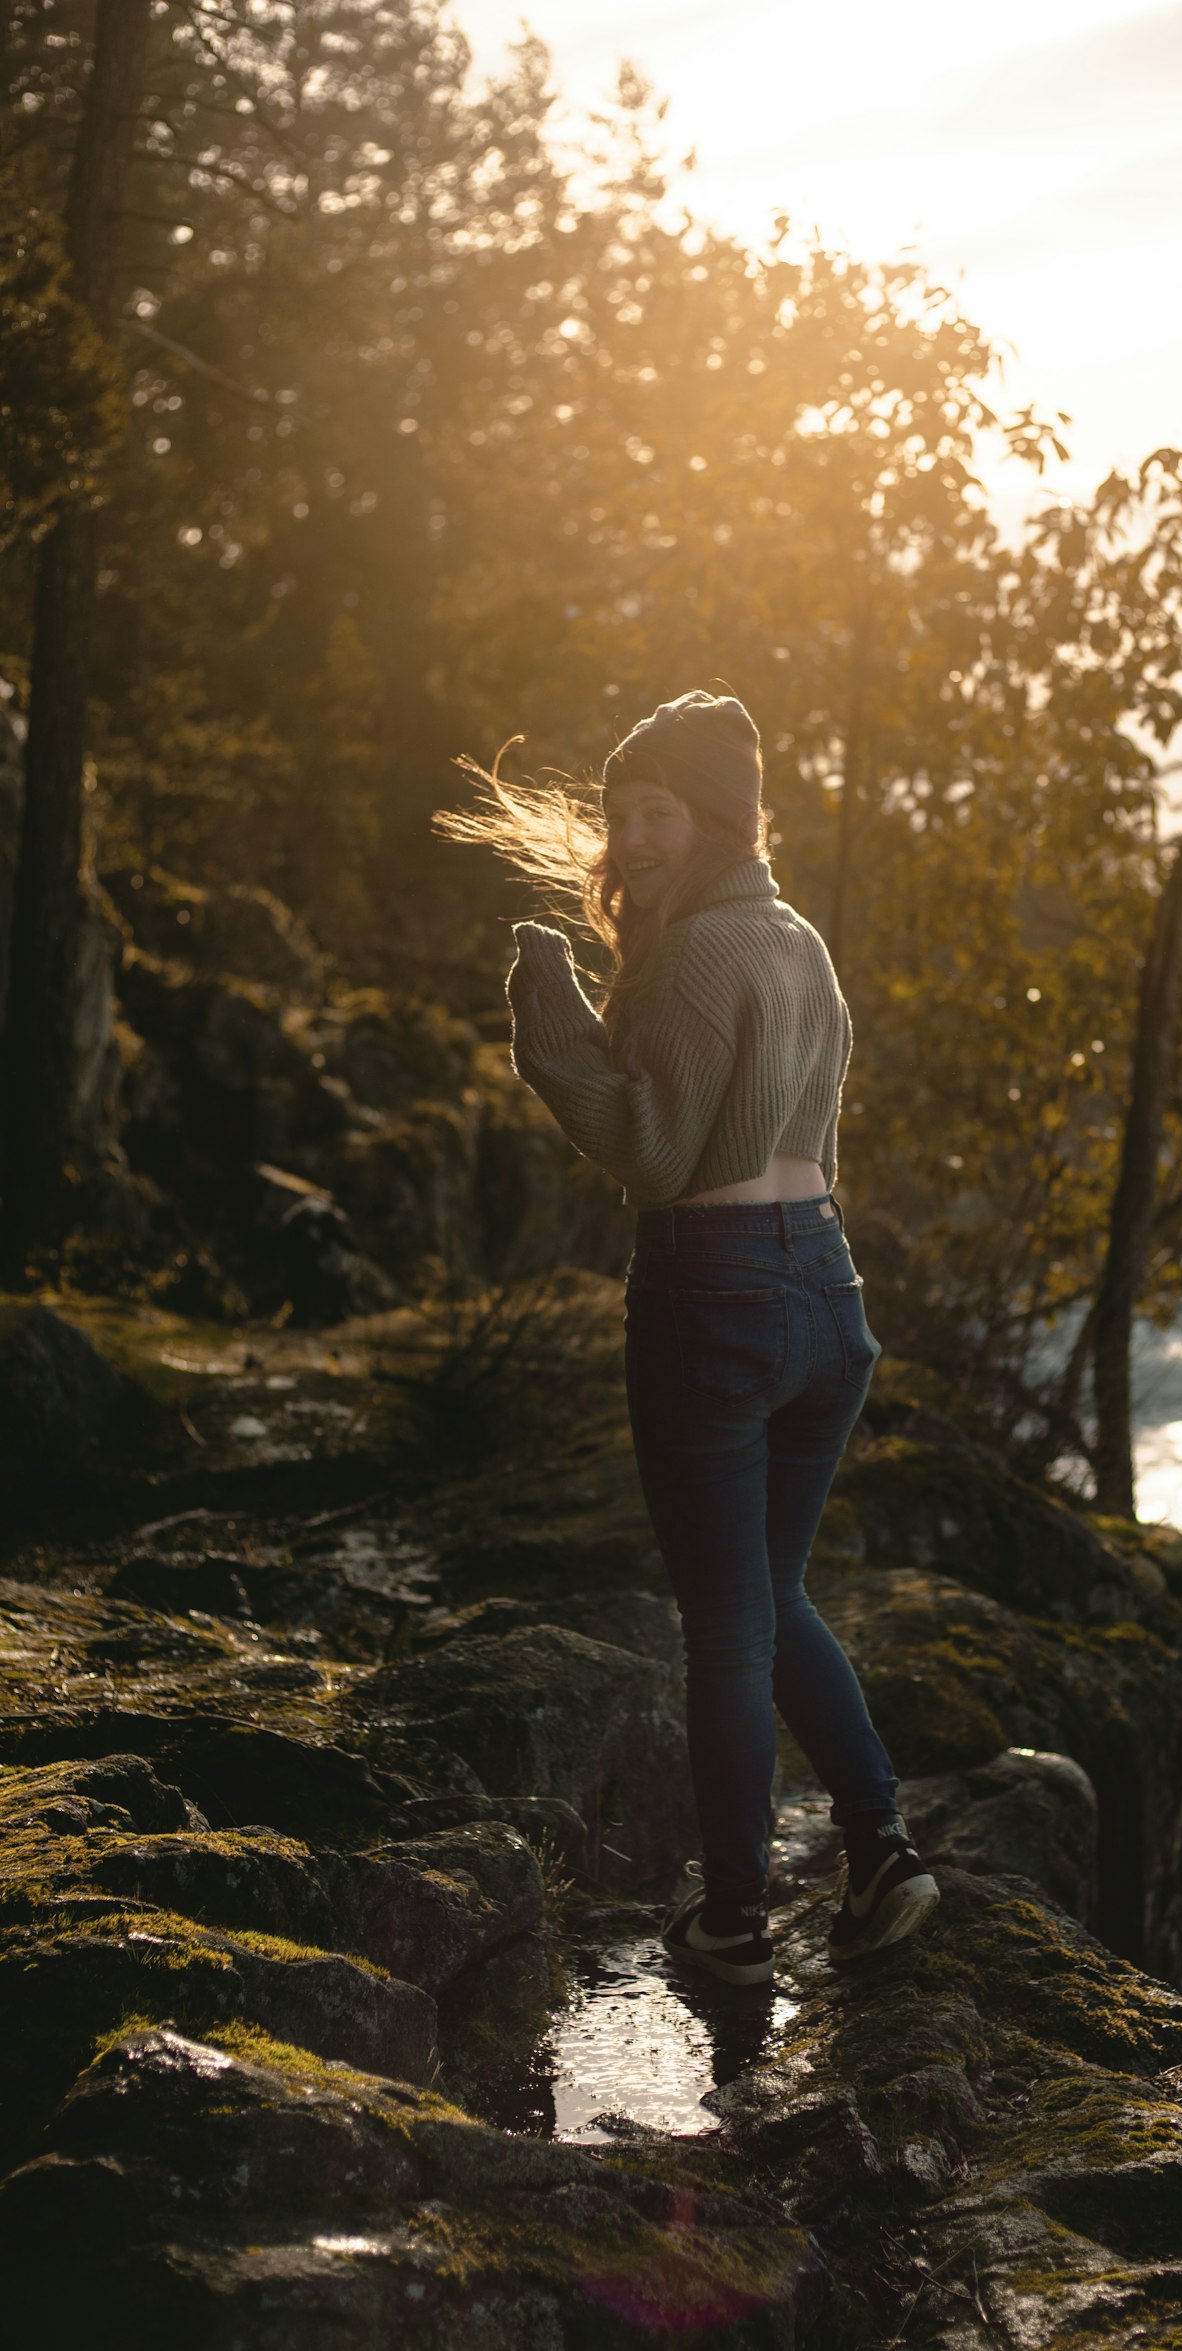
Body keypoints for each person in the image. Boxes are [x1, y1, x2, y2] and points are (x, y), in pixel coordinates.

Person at [444, 688, 937, 1989]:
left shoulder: (696, 953)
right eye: (617, 816)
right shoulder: (799, 944)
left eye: (652, 813)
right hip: (826, 1293)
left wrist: (545, 997)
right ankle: (882, 1847)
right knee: (770, 1596)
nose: (629, 841)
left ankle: (733, 1919)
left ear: (713, 817)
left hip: (713, 1295)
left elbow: (650, 1150)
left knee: (723, 1621)